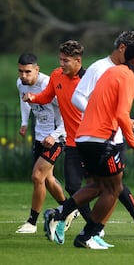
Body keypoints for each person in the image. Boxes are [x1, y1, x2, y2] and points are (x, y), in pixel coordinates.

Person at [43, 43, 134, 249]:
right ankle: (88, 235)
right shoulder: (130, 78)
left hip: (83, 137)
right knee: (115, 187)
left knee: (98, 186)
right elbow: (121, 114)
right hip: (101, 139)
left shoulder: (112, 72)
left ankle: (59, 214)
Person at [71, 31, 134, 241]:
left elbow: (117, 109)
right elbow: (77, 97)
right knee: (112, 187)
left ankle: (90, 228)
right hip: (101, 137)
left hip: (111, 136)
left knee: (107, 186)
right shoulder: (101, 68)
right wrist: (100, 115)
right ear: (126, 50)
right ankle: (90, 231)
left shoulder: (119, 72)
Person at [22, 40, 93, 237]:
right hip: (71, 142)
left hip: (91, 140)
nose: (61, 64)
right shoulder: (56, 75)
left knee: (105, 186)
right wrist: (33, 98)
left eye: (66, 60)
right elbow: (46, 96)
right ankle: (91, 226)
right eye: (60, 59)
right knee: (72, 186)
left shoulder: (89, 81)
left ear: (78, 61)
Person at [15, 53, 77, 234]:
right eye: (20, 71)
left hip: (57, 136)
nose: (23, 76)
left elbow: (70, 114)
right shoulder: (21, 83)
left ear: (37, 69)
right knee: (47, 179)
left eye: (28, 72)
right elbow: (24, 101)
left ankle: (32, 222)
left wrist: (56, 134)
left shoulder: (51, 85)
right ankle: (69, 208)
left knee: (37, 176)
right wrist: (24, 122)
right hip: (40, 135)